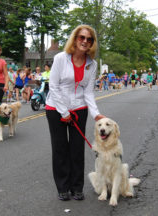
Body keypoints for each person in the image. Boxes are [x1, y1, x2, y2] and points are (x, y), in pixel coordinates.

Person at [45, 24, 105, 201]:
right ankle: (62, 187)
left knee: (77, 149)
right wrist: (64, 112)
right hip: (56, 109)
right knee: (60, 148)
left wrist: (96, 115)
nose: (85, 41)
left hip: (79, 109)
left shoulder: (91, 64)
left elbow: (88, 92)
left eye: (89, 39)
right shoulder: (60, 58)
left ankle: (77, 187)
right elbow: (53, 87)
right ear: (75, 39)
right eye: (82, 37)